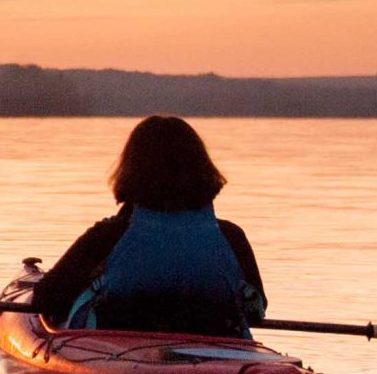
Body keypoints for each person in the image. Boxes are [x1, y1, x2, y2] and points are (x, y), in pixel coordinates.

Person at [30, 116, 265, 338]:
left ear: (130, 171)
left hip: (117, 354)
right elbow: (256, 308)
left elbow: (46, 299)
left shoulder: (109, 236)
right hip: (219, 353)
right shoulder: (230, 237)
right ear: (203, 170)